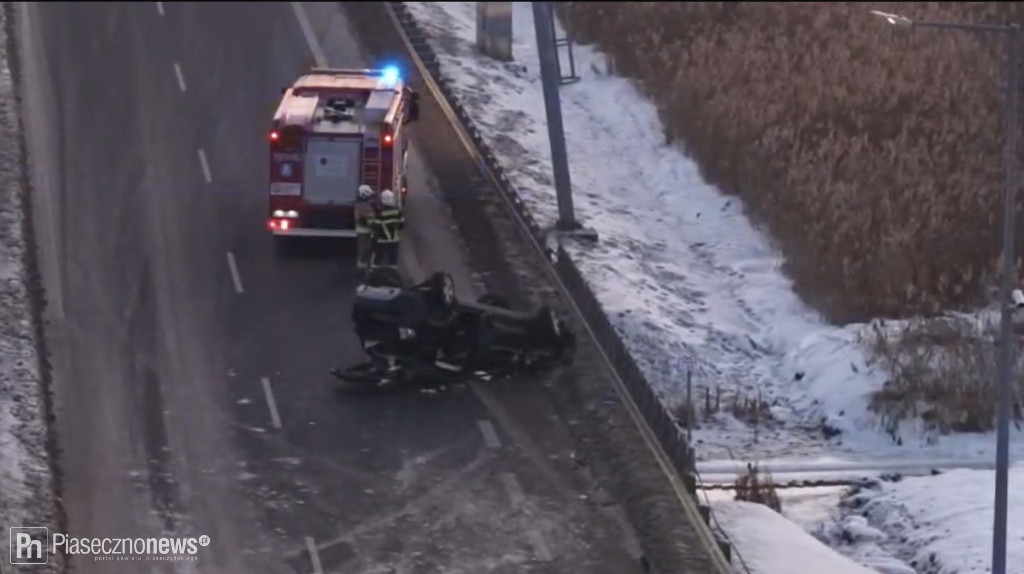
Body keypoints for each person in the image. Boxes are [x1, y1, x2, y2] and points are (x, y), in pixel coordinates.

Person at [369, 189, 404, 267]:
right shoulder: (398, 211)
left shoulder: (380, 213)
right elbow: (401, 225)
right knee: (393, 258)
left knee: (377, 257)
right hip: (394, 240)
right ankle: (393, 271)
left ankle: (375, 271)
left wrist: (373, 239)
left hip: (381, 240)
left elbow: (376, 227)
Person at [354, 184, 378, 269]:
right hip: (363, 230)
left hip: (367, 229)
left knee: (367, 248)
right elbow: (361, 218)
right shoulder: (361, 206)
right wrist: (371, 224)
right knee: (363, 248)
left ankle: (365, 263)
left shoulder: (363, 204)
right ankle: (361, 264)